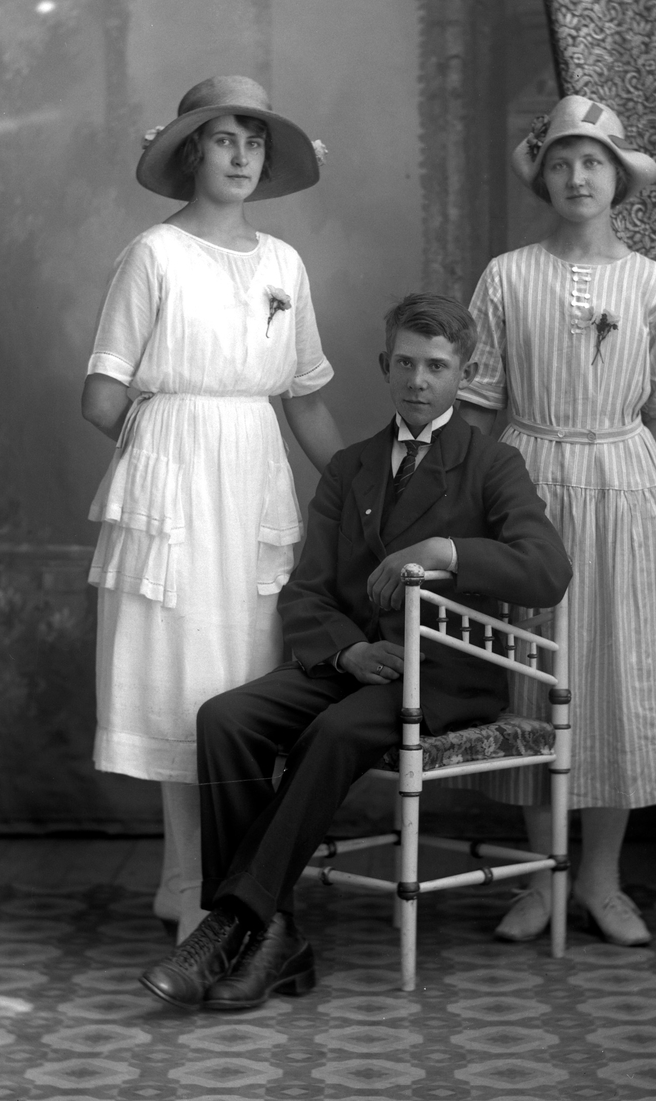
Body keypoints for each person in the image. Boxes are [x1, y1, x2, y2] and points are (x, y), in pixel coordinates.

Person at [136, 293, 572, 1012]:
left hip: (442, 674)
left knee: (335, 731)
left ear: (463, 374)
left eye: (437, 366)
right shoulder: (350, 467)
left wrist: (446, 550)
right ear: (383, 365)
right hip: (356, 665)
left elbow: (548, 570)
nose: (418, 381)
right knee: (224, 718)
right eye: (405, 363)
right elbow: (307, 591)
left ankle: (228, 928)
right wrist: (347, 655)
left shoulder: (492, 465)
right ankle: (274, 933)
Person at [81, 76, 343, 942]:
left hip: (254, 483)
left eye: (253, 141)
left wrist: (362, 490)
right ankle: (187, 882)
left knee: (242, 681)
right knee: (181, 678)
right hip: (177, 488)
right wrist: (170, 445)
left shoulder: (283, 265)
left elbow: (305, 398)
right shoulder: (154, 254)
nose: (240, 156)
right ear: (192, 150)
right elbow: (101, 395)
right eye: (224, 139)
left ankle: (217, 884)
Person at [458, 95, 656, 946]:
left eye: (592, 162)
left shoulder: (652, 285)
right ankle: (541, 879)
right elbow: (479, 403)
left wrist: (623, 488)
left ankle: (601, 879)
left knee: (613, 676)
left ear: (616, 179)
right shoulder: (506, 276)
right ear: (544, 178)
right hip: (527, 485)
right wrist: (498, 499)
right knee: (535, 674)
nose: (576, 177)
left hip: (625, 492)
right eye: (561, 162)